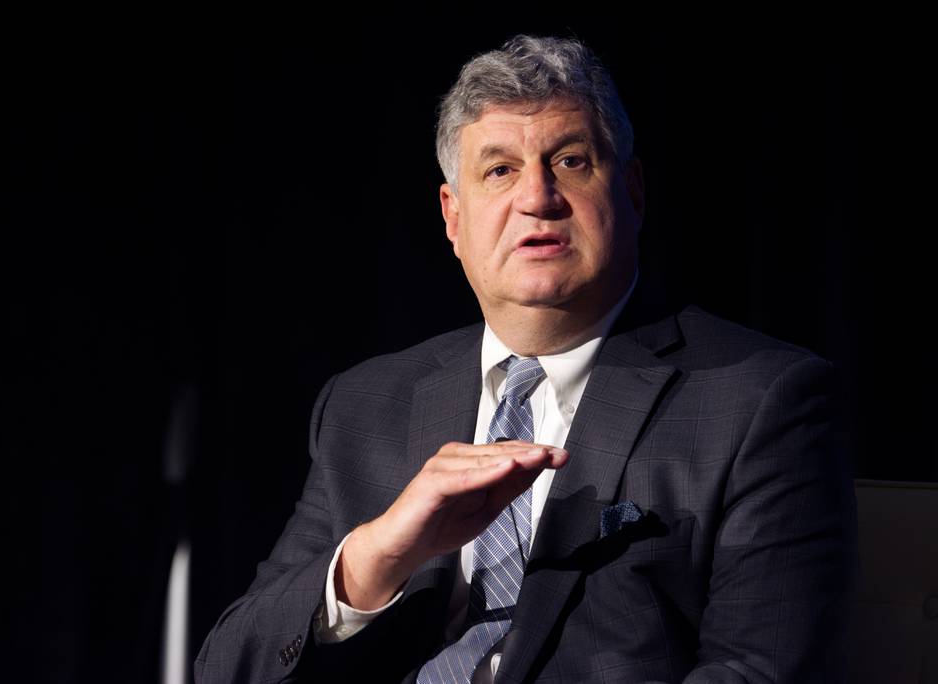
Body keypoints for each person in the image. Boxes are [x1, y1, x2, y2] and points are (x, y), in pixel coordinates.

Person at [194, 34, 858, 683]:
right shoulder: (365, 405)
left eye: (571, 161)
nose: (537, 198)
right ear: (454, 218)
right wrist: (375, 556)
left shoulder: (758, 399)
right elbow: (229, 666)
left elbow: (761, 667)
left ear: (632, 192)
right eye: (500, 169)